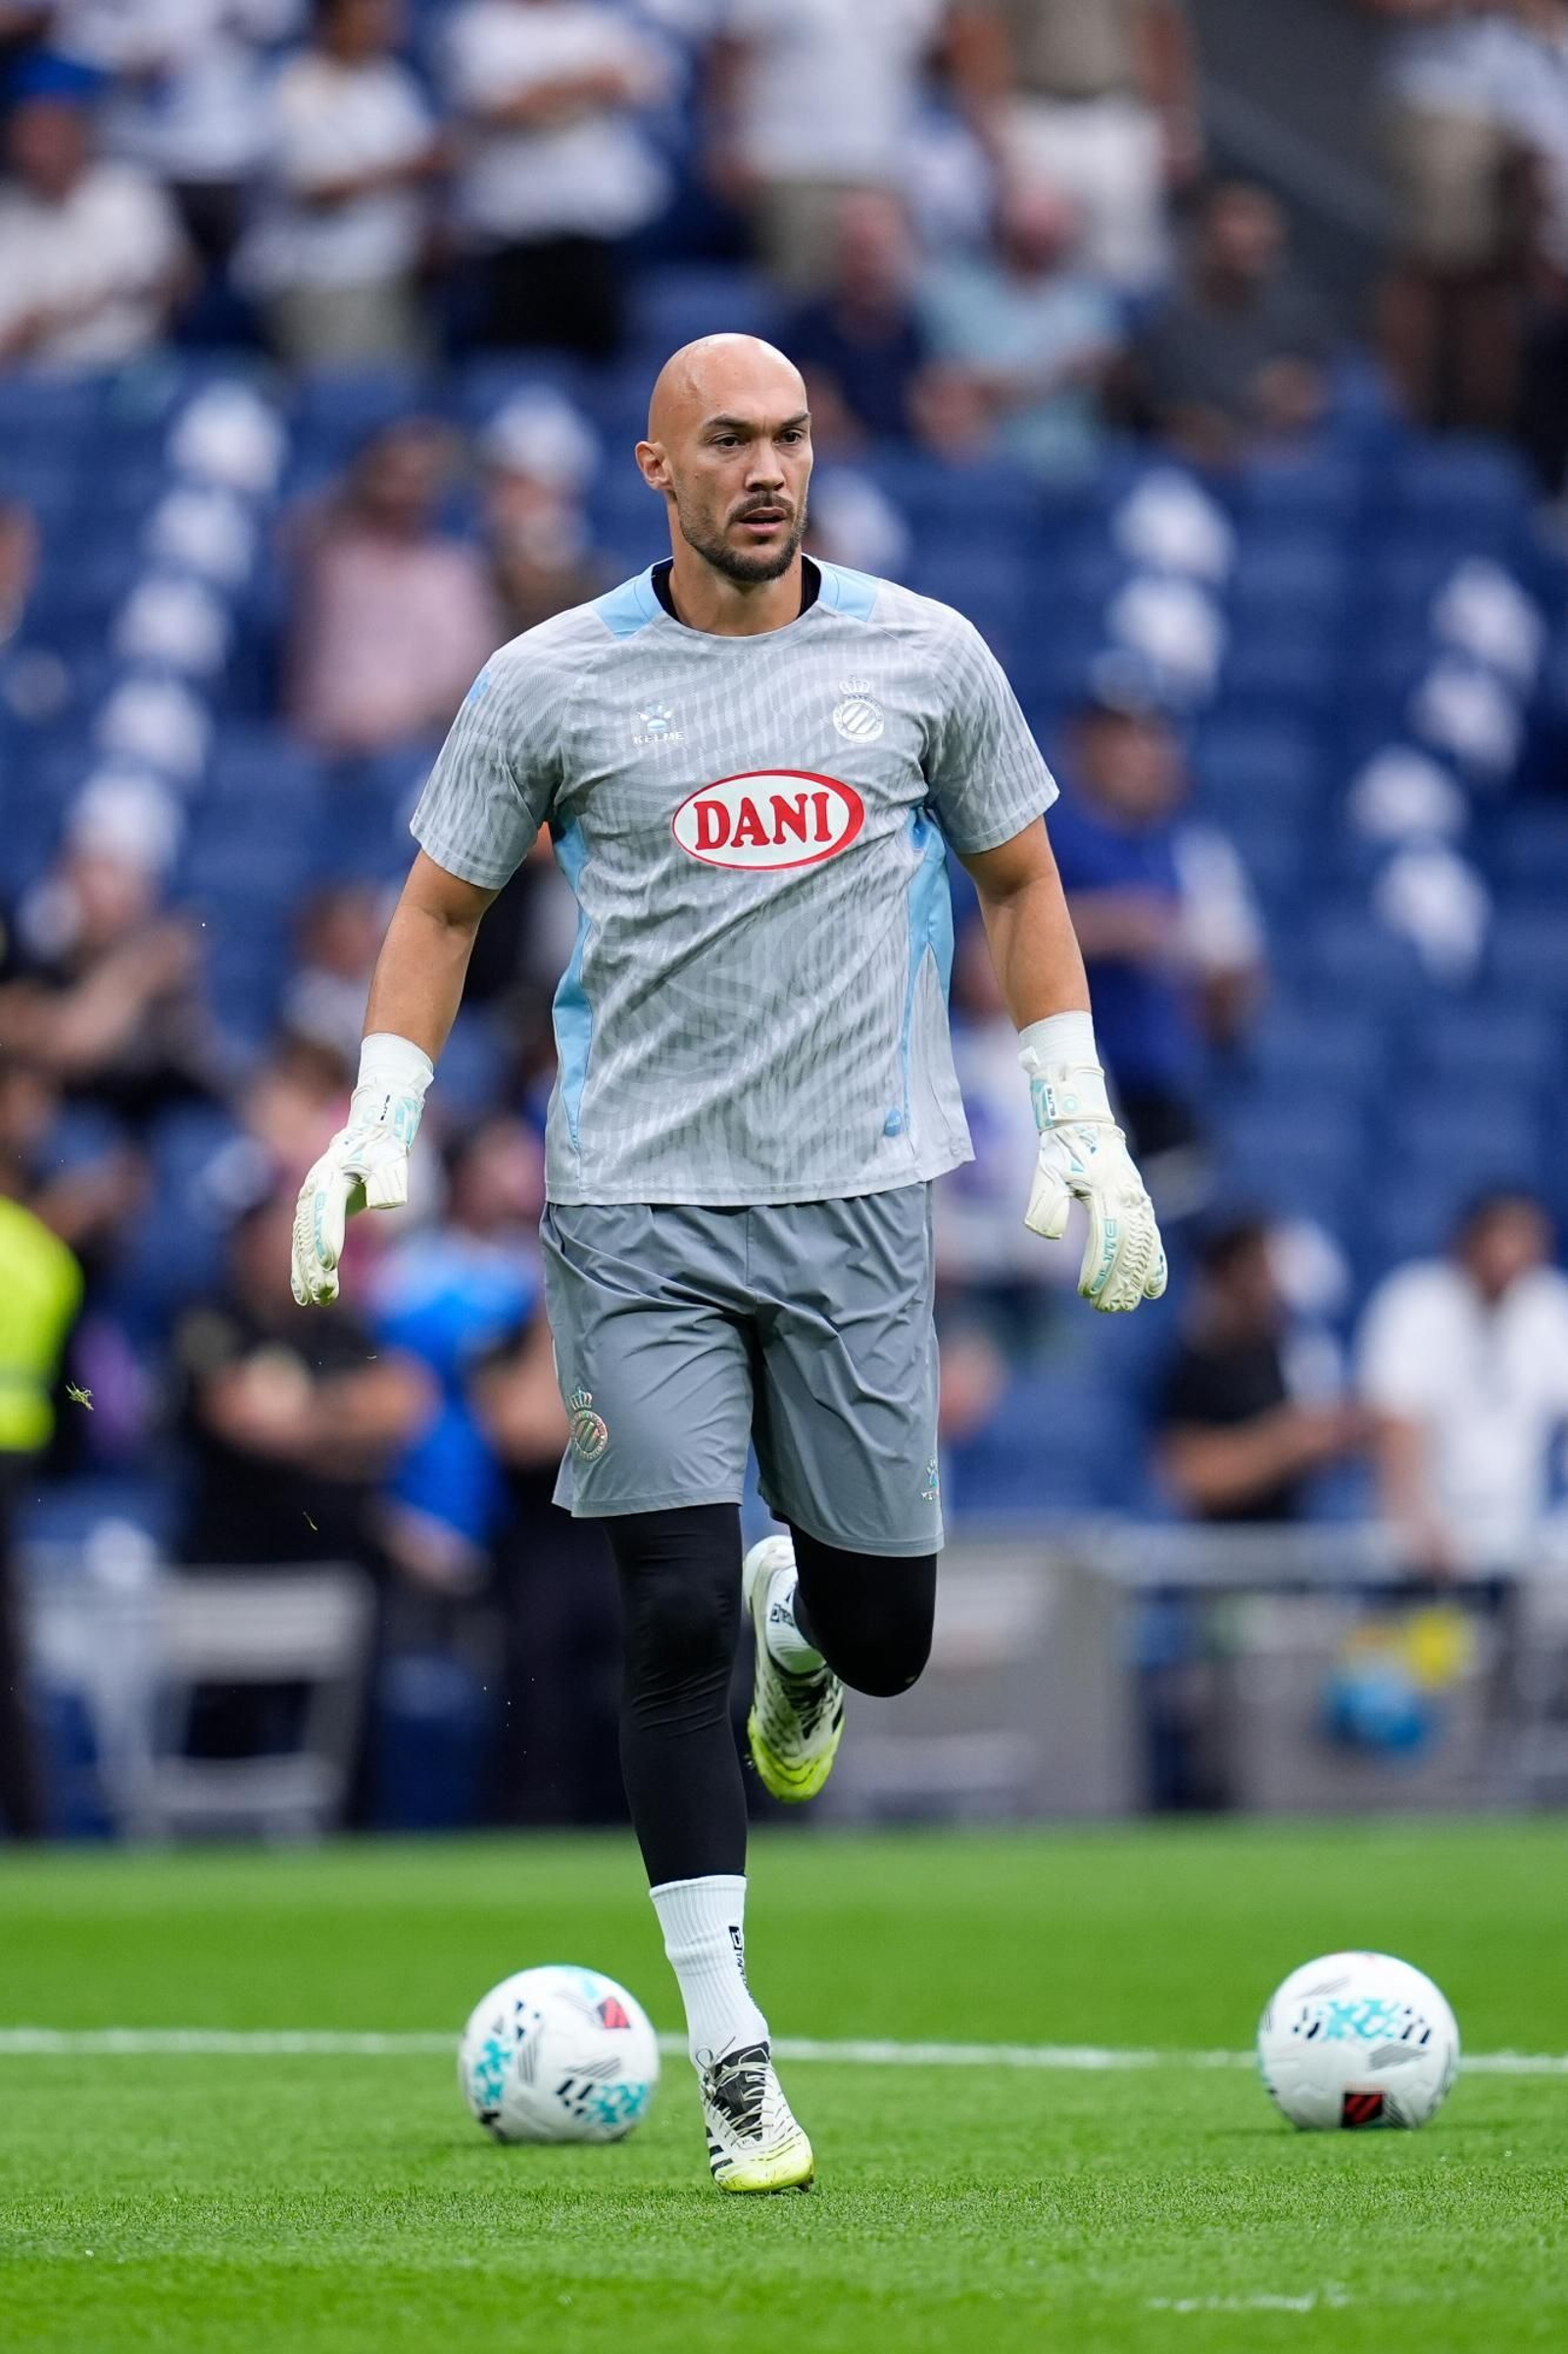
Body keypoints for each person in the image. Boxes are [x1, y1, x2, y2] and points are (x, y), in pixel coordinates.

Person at [290, 331, 1167, 2191]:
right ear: (658, 471)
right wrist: (378, 1116)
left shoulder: (927, 657)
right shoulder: (551, 680)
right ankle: (734, 2054)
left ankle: (810, 1631)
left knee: (887, 1636)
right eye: (729, 444)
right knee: (667, 1610)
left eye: (790, 437)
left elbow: (1021, 882)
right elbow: (440, 906)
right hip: (635, 1216)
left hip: (860, 1213)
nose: (768, 470)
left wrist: (1080, 1122)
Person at [1045, 661, 1265, 1196]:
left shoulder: (1194, 852)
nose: (1136, 753)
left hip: (1159, 1090)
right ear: (1083, 743)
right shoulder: (1042, 830)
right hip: (1060, 1089)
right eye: (1119, 736)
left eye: (1149, 736)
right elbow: (980, 960)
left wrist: (1222, 978)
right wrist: (1114, 925)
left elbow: (1233, 1009)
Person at [1356, 1189, 1568, 1575]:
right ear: (1468, 1243)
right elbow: (1395, 1423)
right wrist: (1414, 1521)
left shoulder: (1551, 1305)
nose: (1513, 1257)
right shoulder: (1414, 1302)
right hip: (1424, 1546)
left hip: (1522, 1543)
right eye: (1505, 1239)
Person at [444, 0, 669, 357]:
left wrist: (549, 91)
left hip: (593, 224)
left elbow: (642, 84)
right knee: (525, 358)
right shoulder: (479, 27)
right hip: (515, 229)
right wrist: (581, 84)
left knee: (604, 354)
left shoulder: (595, 21)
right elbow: (503, 108)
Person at [286, 418, 506, 758]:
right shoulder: (333, 559)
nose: (405, 490)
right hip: (327, 747)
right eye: (393, 475)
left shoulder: (454, 573)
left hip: (423, 749)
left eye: (420, 479)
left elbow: (474, 679)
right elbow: (299, 530)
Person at [240, 0, 443, 366]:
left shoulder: (390, 81)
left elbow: (426, 161)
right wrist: (406, 169)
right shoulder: (293, 89)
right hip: (319, 277)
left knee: (397, 399)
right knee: (338, 400)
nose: (381, 28)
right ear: (330, 24)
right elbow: (316, 190)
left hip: (390, 268)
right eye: (368, 18)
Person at [1155, 1216, 1369, 1524]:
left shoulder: (1301, 1353)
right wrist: (1286, 1443)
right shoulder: (1196, 1366)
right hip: (1223, 1554)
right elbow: (1187, 1474)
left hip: (1304, 1546)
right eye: (1256, 1269)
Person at [988, 0, 1200, 293]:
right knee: (1033, 253)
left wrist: (1176, 117)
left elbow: (1162, 23)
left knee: (1125, 265)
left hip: (1117, 114)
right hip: (1033, 111)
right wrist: (990, 117)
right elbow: (979, 25)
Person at [918, 176, 1122, 479]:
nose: (1040, 242)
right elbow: (952, 382)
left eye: (1050, 231)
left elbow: (1111, 372)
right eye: (1028, 232)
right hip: (990, 467)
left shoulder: (1089, 298)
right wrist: (1052, 375)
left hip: (1081, 463)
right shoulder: (954, 293)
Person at [0, 61, 191, 368]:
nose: (36, 153)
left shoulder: (129, 193)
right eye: (27, 137)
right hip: (38, 383)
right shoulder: (9, 212)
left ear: (78, 135)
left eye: (49, 136)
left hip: (131, 369)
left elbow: (175, 281)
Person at [1133, 179, 1330, 465]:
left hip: (1286, 466)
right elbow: (1178, 421)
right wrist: (1256, 403)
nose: (1255, 238)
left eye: (1263, 233)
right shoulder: (1171, 323)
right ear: (1208, 242)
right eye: (1240, 224)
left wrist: (1300, 398)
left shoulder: (1298, 316)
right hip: (1199, 475)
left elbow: (1317, 398)